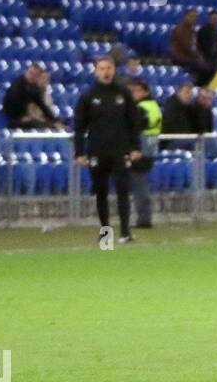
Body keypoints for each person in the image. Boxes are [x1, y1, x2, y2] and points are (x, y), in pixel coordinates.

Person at [73, 57, 142, 244]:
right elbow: (79, 126)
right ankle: (105, 235)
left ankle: (125, 232)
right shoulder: (88, 96)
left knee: (123, 190)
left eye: (109, 68)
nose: (106, 72)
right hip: (97, 150)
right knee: (101, 192)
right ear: (96, 71)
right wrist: (79, 152)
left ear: (114, 70)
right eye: (102, 68)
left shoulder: (123, 93)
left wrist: (136, 147)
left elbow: (133, 122)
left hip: (120, 150)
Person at [129, 79, 161, 229]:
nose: (134, 94)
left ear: (145, 92)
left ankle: (143, 218)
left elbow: (135, 127)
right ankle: (144, 217)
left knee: (139, 184)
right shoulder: (154, 106)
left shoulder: (140, 107)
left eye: (137, 91)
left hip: (139, 148)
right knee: (141, 183)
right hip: (150, 148)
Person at [1, 64, 63, 130]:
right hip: (16, 120)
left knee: (55, 124)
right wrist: (22, 117)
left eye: (34, 74)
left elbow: (42, 105)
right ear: (26, 72)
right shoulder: (17, 85)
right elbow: (10, 104)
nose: (32, 76)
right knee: (45, 126)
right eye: (30, 73)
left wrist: (54, 119)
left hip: (27, 118)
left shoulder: (33, 88)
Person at [169, 9, 217, 86]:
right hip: (180, 57)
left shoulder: (192, 30)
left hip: (189, 57)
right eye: (191, 16)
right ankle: (198, 85)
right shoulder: (180, 29)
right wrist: (198, 57)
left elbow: (195, 46)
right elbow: (187, 47)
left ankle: (200, 85)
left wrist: (200, 56)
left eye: (195, 17)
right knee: (206, 68)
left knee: (210, 66)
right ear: (185, 17)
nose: (194, 19)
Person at [161, 81, 198, 149]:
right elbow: (170, 128)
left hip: (184, 138)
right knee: (197, 143)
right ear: (178, 93)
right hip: (170, 141)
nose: (189, 96)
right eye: (186, 92)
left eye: (191, 93)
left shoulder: (188, 107)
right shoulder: (171, 106)